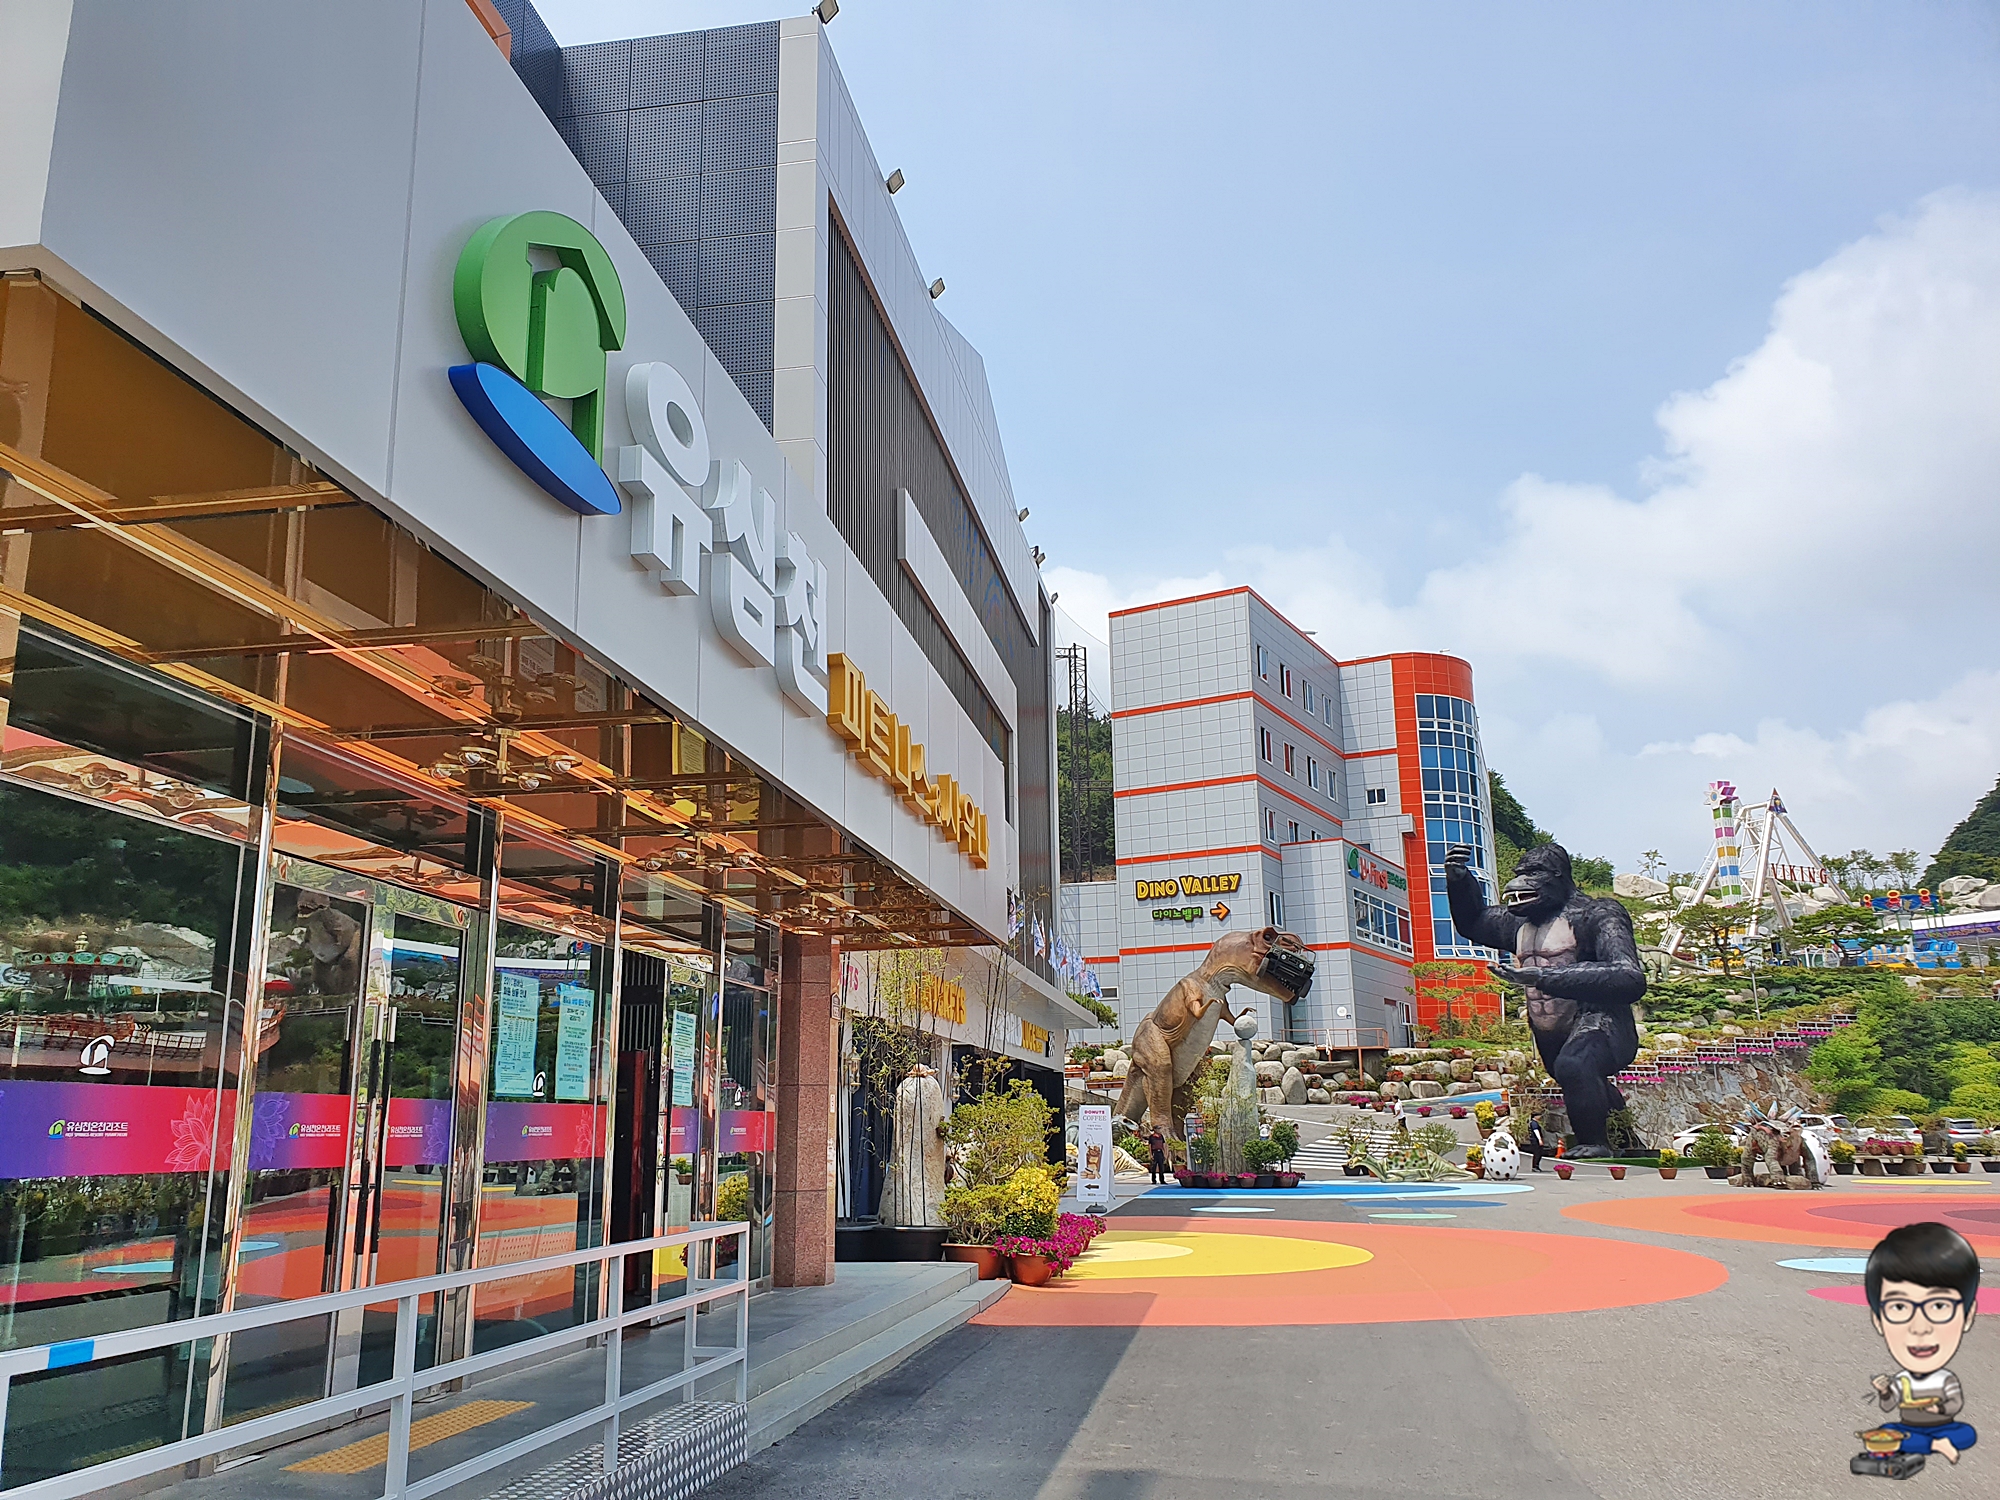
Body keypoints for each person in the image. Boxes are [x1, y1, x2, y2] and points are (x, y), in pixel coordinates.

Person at [1857, 1221, 1979, 1474]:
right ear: (1878, 1320)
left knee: (1966, 1433)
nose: (1920, 1328)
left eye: (1939, 1306)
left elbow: (1955, 1402)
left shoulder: (1945, 1379)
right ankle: (1930, 1445)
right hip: (1908, 1427)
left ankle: (1930, 1442)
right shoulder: (1902, 1379)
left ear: (1967, 1316)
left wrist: (1939, 1408)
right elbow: (1889, 1406)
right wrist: (1884, 1391)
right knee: (1888, 1430)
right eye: (1900, 1307)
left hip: (1944, 1426)